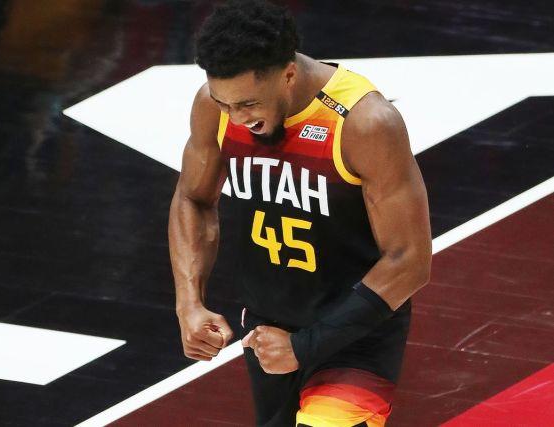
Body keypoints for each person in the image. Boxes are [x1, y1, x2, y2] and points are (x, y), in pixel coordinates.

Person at [168, 1, 432, 425]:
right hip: (266, 330)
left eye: (248, 104)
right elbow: (193, 199)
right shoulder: (214, 108)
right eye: (224, 103)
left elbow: (410, 261)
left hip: (354, 331)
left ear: (288, 75)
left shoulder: (363, 122)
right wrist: (189, 303)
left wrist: (305, 346)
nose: (237, 118)